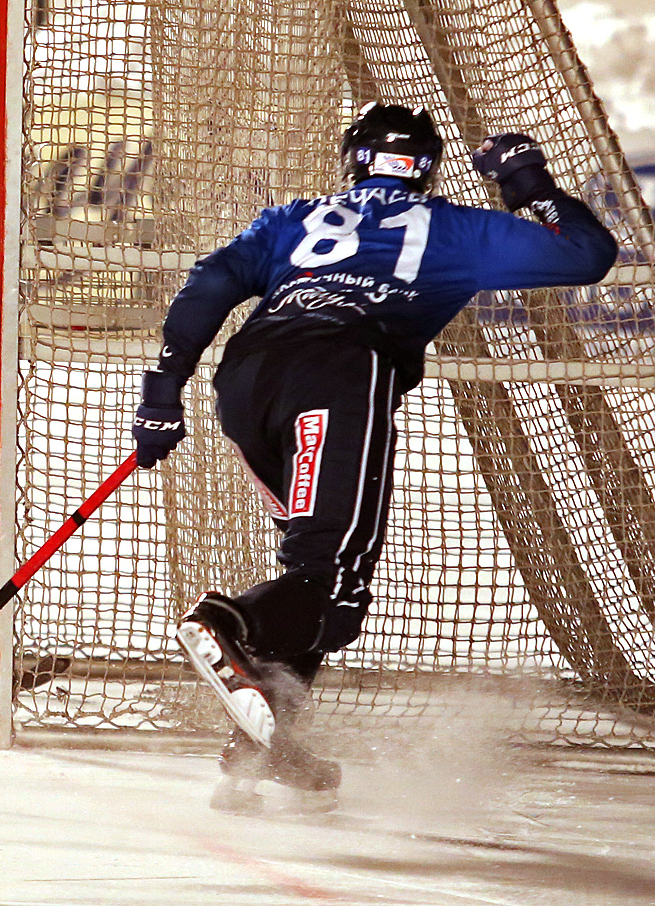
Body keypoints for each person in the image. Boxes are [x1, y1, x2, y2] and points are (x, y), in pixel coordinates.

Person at [130, 104, 618, 813]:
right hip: (343, 376)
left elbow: (208, 283)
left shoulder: (293, 217)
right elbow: (588, 254)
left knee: (317, 574)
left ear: (353, 158)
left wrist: (161, 394)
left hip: (246, 385)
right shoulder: (454, 228)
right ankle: (228, 623)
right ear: (427, 167)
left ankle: (264, 743)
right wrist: (524, 179)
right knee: (332, 582)